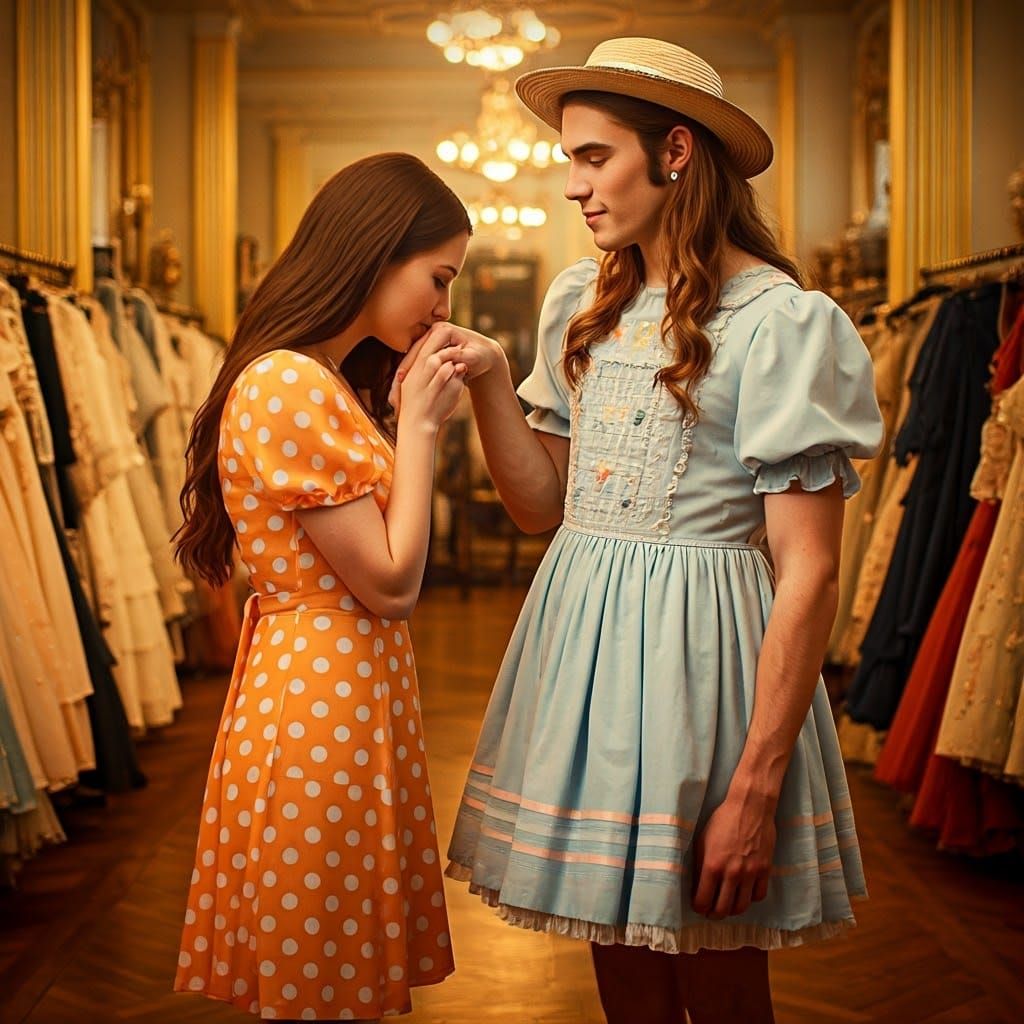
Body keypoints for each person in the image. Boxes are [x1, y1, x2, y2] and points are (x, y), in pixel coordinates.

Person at [397, 38, 884, 1024]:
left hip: (704, 668)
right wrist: (492, 378)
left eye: (591, 156)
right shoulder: (578, 300)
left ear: (673, 153)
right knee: (617, 954)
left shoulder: (781, 322)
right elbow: (542, 508)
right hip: (585, 666)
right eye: (567, 157)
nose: (571, 185)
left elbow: (808, 574)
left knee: (718, 966)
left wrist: (753, 786)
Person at [172, 152, 470, 1021]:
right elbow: (388, 584)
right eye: (438, 278)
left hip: (336, 681)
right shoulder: (290, 383)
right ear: (377, 253)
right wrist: (418, 432)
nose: (443, 308)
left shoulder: (318, 380)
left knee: (334, 962)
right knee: (323, 972)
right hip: (323, 692)